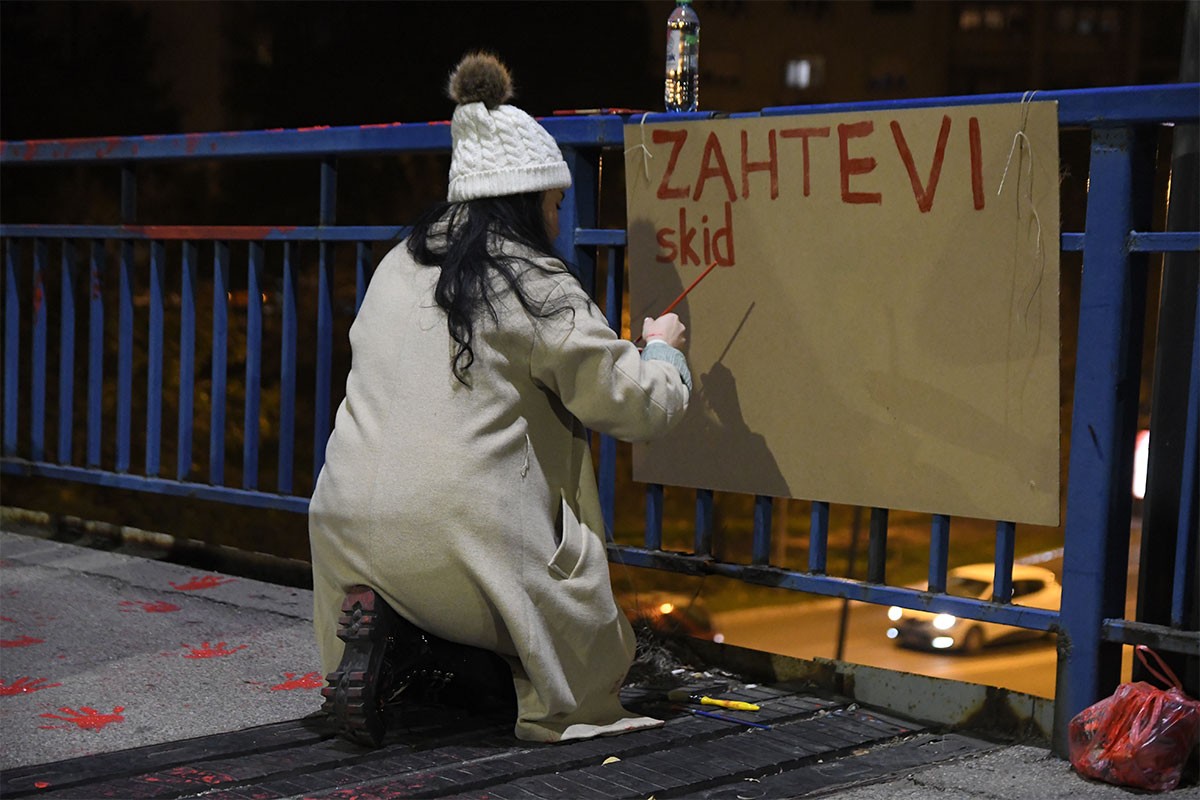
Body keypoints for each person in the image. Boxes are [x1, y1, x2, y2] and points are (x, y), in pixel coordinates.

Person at [308, 51, 692, 747]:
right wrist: (662, 347)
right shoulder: (532, 283)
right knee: (586, 644)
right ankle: (475, 667)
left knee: (457, 600)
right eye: (554, 201)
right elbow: (636, 407)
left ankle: (394, 637)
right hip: (455, 543)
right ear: (527, 201)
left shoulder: (401, 259)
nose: (558, 215)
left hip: (344, 529)